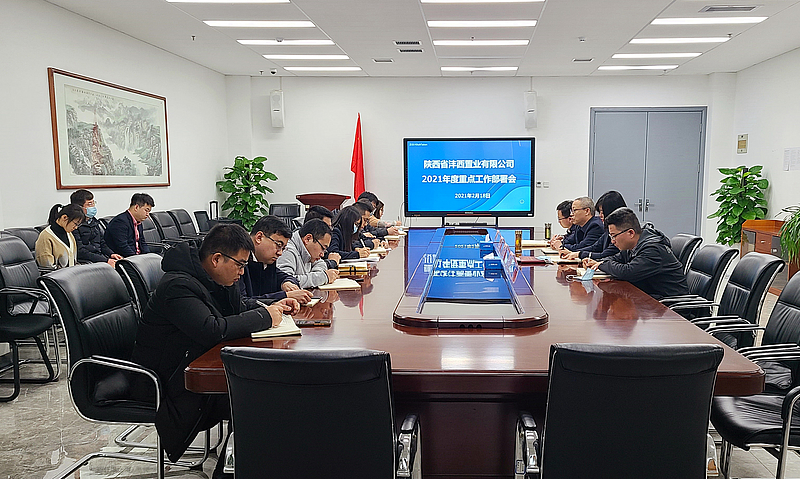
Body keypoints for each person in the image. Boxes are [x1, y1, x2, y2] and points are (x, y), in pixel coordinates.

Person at [130, 224, 299, 469]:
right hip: (164, 382)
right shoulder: (178, 286)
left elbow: (236, 309)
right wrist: (264, 317)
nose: (242, 272)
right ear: (217, 259)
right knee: (257, 396)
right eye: (240, 265)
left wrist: (273, 307)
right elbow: (212, 330)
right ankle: (234, 469)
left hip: (185, 366)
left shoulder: (210, 278)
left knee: (262, 391)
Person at [583, 207, 689, 300]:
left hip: (669, 307)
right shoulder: (634, 245)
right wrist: (598, 262)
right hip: (651, 299)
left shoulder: (652, 249)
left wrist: (602, 264)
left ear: (631, 233)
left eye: (614, 236)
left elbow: (628, 272)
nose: (612, 241)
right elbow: (616, 258)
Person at [239, 215, 312, 304]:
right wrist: (285, 296)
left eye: (283, 248)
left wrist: (287, 283)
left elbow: (285, 276)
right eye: (278, 245)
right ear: (259, 237)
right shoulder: (239, 260)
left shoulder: (266, 261)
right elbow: (242, 303)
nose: (280, 253)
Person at [561, 190, 626, 261]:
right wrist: (575, 253)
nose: (600, 215)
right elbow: (595, 247)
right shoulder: (607, 230)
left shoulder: (597, 226)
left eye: (602, 212)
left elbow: (606, 254)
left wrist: (579, 254)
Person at [277, 218, 339, 289]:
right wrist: (323, 277)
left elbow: (320, 263)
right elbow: (287, 282)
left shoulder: (310, 251)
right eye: (322, 248)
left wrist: (317, 276)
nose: (322, 254)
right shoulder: (287, 251)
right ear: (308, 239)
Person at [70, 189, 123, 267]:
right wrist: (105, 260)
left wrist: (111, 254)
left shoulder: (94, 222)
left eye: (93, 203)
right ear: (79, 207)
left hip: (100, 257)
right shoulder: (74, 226)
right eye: (89, 204)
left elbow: (102, 243)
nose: (93, 207)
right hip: (87, 261)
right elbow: (80, 251)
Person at [35, 203, 85, 269]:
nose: (76, 227)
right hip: (56, 275)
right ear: (64, 217)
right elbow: (47, 267)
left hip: (71, 273)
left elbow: (74, 262)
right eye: (75, 224)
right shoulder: (45, 237)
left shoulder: (69, 234)